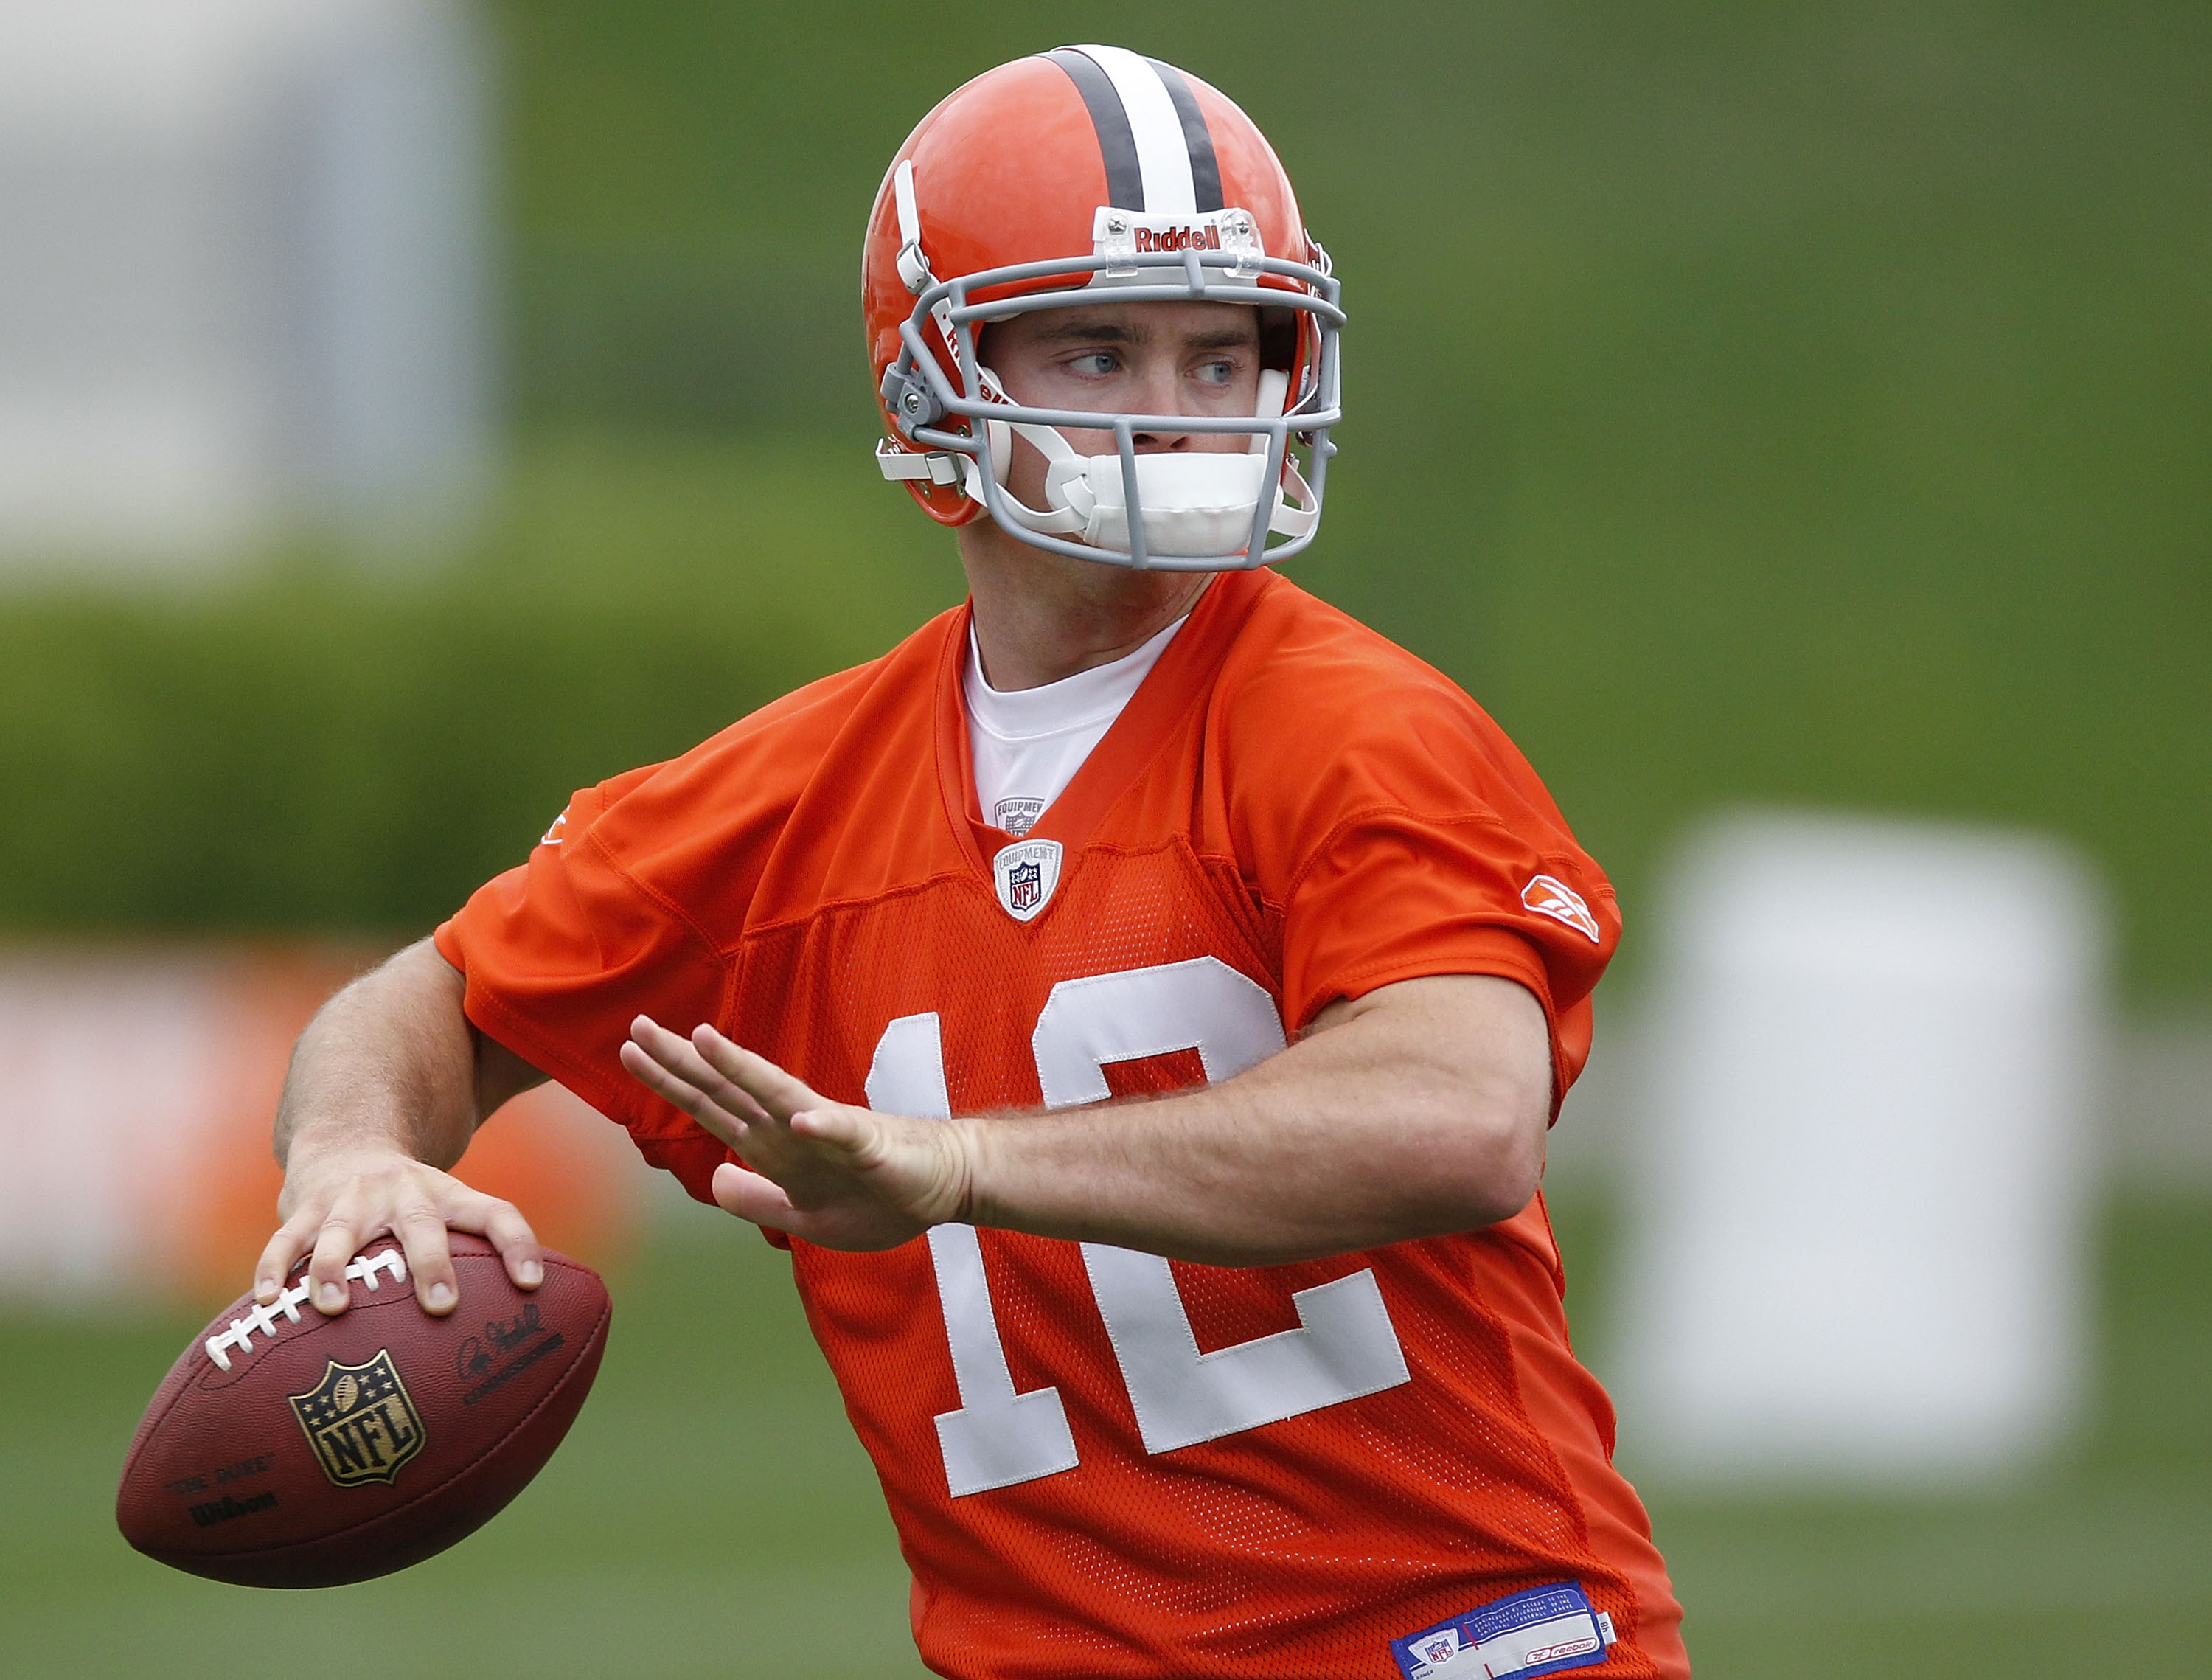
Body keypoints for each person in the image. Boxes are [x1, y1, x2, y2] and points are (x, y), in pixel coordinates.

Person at [257, 44, 1688, 1680]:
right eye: (1100, 348)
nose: (1176, 410)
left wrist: (960, 1163)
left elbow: (1459, 1113)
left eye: (1223, 356)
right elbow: (434, 993)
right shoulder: (790, 796)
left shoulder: (1361, 730)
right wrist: (354, 1155)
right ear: (931, 379)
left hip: (1454, 1644)